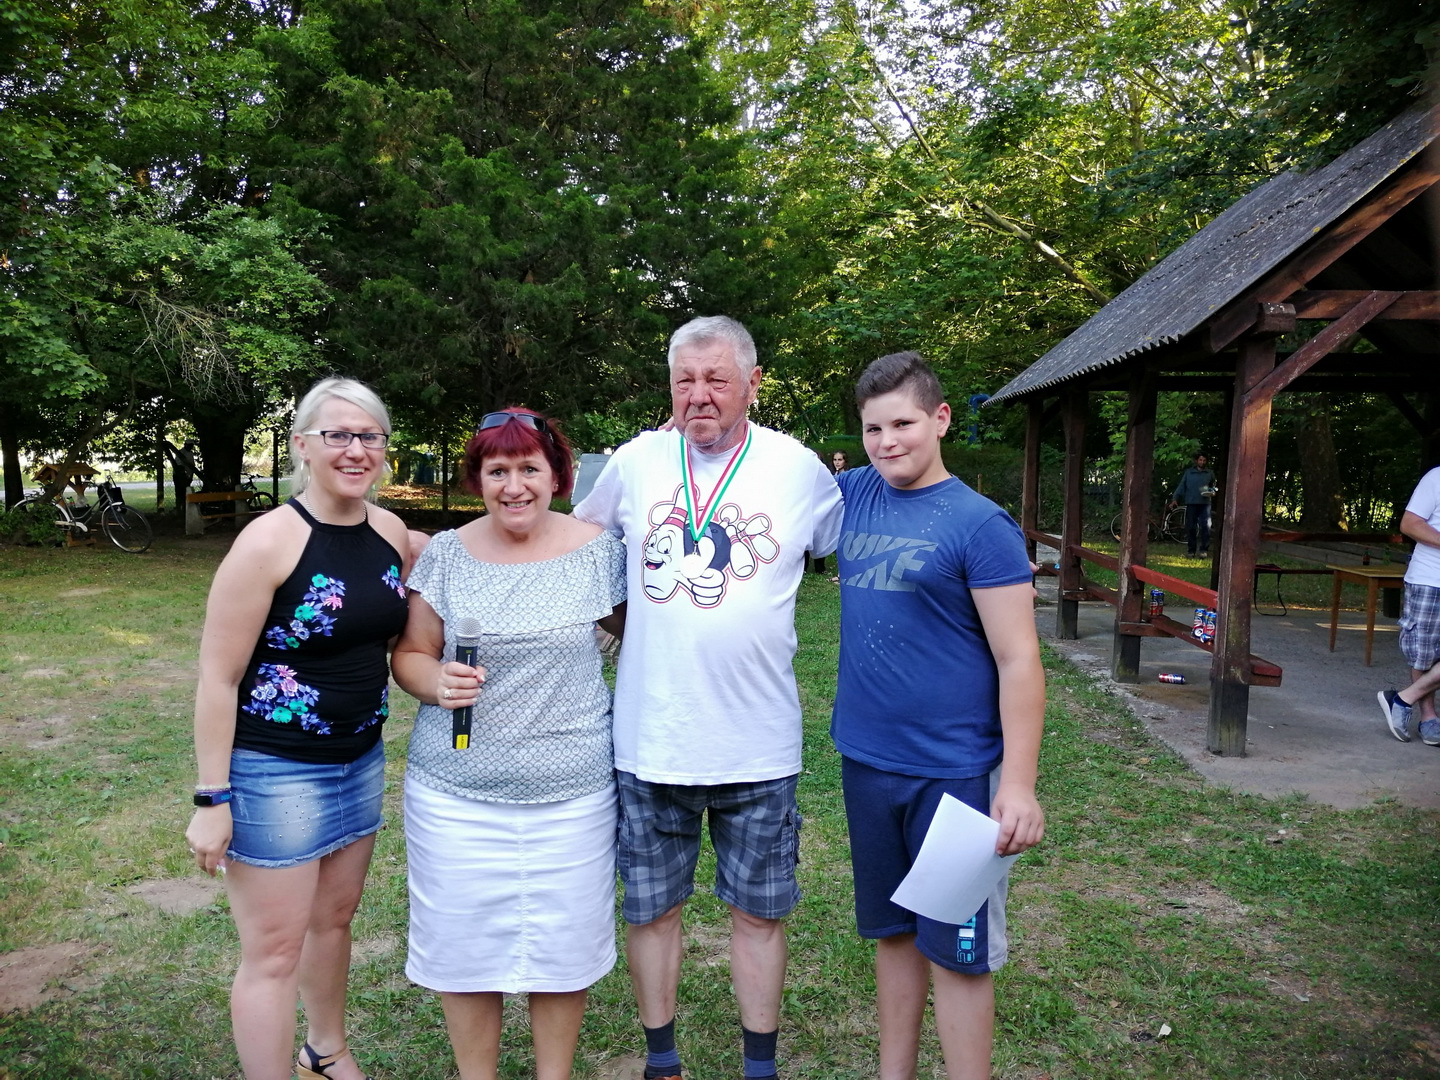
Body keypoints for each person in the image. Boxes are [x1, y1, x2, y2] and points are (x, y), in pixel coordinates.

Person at [573, 315, 843, 1080]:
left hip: (758, 745)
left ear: (752, 383)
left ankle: (760, 1067)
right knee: (653, 910)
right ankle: (662, 1062)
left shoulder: (797, 469)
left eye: (716, 379)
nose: (698, 396)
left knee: (758, 914)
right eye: (684, 381)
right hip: (651, 739)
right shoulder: (635, 461)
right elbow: (578, 548)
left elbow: (854, 542)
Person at [185, 377, 412, 1080]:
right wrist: (212, 798)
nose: (355, 450)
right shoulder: (268, 542)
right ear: (303, 446)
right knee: (274, 953)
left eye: (369, 436)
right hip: (274, 772)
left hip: (360, 760)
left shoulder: (389, 533)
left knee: (333, 923)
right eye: (337, 435)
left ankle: (326, 1050)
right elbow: (218, 677)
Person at [391, 408, 626, 1080]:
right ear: (478, 479)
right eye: (498, 471)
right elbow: (411, 652)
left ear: (556, 476)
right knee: (465, 955)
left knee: (563, 954)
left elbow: (647, 637)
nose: (514, 486)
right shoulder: (448, 554)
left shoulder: (600, 552)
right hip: (456, 798)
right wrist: (435, 680)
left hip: (573, 798)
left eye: (529, 469)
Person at [831, 352, 1045, 1080]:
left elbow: (1019, 659)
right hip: (867, 762)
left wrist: (1018, 785)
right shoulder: (852, 493)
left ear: (942, 418)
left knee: (956, 951)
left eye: (903, 424)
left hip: (955, 775)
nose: (887, 442)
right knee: (894, 935)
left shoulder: (981, 525)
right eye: (873, 429)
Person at [1378, 464, 1440, 746]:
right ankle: (1429, 718)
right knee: (1423, 654)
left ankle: (1403, 699)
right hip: (1430, 579)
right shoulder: (1436, 477)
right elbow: (1410, 524)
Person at [1168, 453, 1217, 557]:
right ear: (1196, 461)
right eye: (1200, 460)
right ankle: (1191, 551)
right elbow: (1182, 486)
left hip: (1205, 504)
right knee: (1191, 527)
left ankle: (1203, 550)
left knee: (1206, 526)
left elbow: (1213, 486)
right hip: (1191, 502)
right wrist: (1175, 498)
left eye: (1204, 460)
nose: (1202, 462)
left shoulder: (1209, 473)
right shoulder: (1189, 473)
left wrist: (1211, 491)